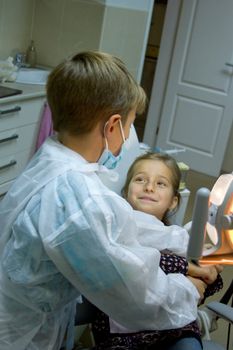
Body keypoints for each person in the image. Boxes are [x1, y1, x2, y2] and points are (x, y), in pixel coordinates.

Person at [0, 51, 209, 350]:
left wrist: (179, 238)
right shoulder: (75, 197)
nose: (126, 140)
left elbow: (118, 219)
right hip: (23, 338)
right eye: (129, 127)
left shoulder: (53, 160)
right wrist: (188, 290)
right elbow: (135, 295)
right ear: (112, 126)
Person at [91, 152, 223, 350]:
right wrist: (190, 268)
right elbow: (141, 262)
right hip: (124, 331)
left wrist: (209, 270)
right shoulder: (118, 229)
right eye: (140, 179)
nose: (149, 187)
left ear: (173, 201)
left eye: (161, 183)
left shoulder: (177, 237)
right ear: (126, 192)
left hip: (173, 329)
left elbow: (204, 288)